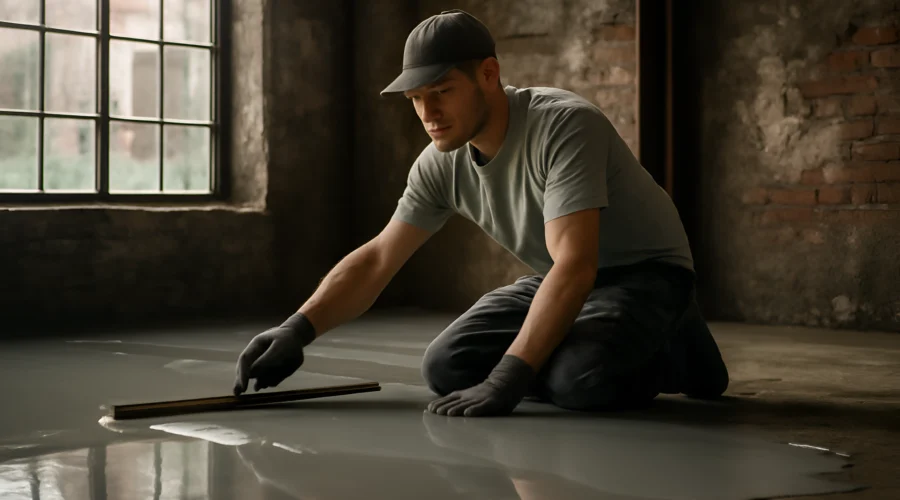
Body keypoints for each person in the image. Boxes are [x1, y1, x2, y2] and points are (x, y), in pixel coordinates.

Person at [233, 9, 729, 417]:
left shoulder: (564, 126)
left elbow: (578, 263)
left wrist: (510, 378)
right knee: (446, 368)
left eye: (442, 92)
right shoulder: (439, 163)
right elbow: (380, 257)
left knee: (580, 382)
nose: (428, 113)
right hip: (560, 275)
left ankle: (678, 344)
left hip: (647, 273)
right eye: (416, 99)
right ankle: (589, 346)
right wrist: (297, 329)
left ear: (488, 74)